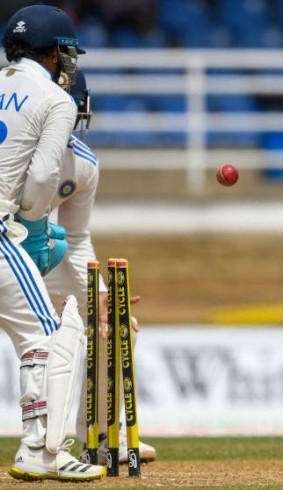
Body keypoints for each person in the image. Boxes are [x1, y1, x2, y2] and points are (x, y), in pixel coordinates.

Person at [0, 4, 105, 481]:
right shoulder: (56, 100)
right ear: (54, 52)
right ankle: (43, 452)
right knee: (47, 336)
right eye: (66, 53)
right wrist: (28, 215)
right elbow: (44, 174)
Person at [36, 70, 159, 468]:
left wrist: (101, 295)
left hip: (38, 252)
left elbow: (74, 237)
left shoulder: (82, 164)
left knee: (117, 327)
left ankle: (104, 438)